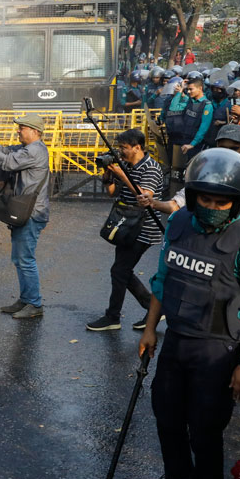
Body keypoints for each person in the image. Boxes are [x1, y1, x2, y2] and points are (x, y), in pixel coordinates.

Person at [136, 148, 240, 479]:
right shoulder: (178, 222)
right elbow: (163, 278)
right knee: (167, 420)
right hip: (176, 342)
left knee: (204, 433)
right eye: (203, 198)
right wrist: (150, 330)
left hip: (217, 352)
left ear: (238, 201)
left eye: (220, 201)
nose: (210, 207)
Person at [82, 128, 165, 331]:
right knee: (121, 270)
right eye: (119, 147)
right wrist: (108, 174)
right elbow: (112, 193)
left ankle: (114, 316)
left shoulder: (151, 168)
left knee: (120, 270)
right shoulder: (126, 165)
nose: (121, 152)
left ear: (138, 147)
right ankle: (152, 308)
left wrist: (122, 174)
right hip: (126, 225)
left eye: (124, 148)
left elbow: (145, 197)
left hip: (144, 227)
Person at [0, 114, 52, 319]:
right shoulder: (27, 148)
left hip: (31, 213)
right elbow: (6, 151)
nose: (18, 131)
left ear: (35, 131)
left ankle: (34, 303)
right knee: (19, 258)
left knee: (25, 259)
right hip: (24, 211)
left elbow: (6, 163)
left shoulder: (35, 151)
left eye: (22, 128)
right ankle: (26, 299)